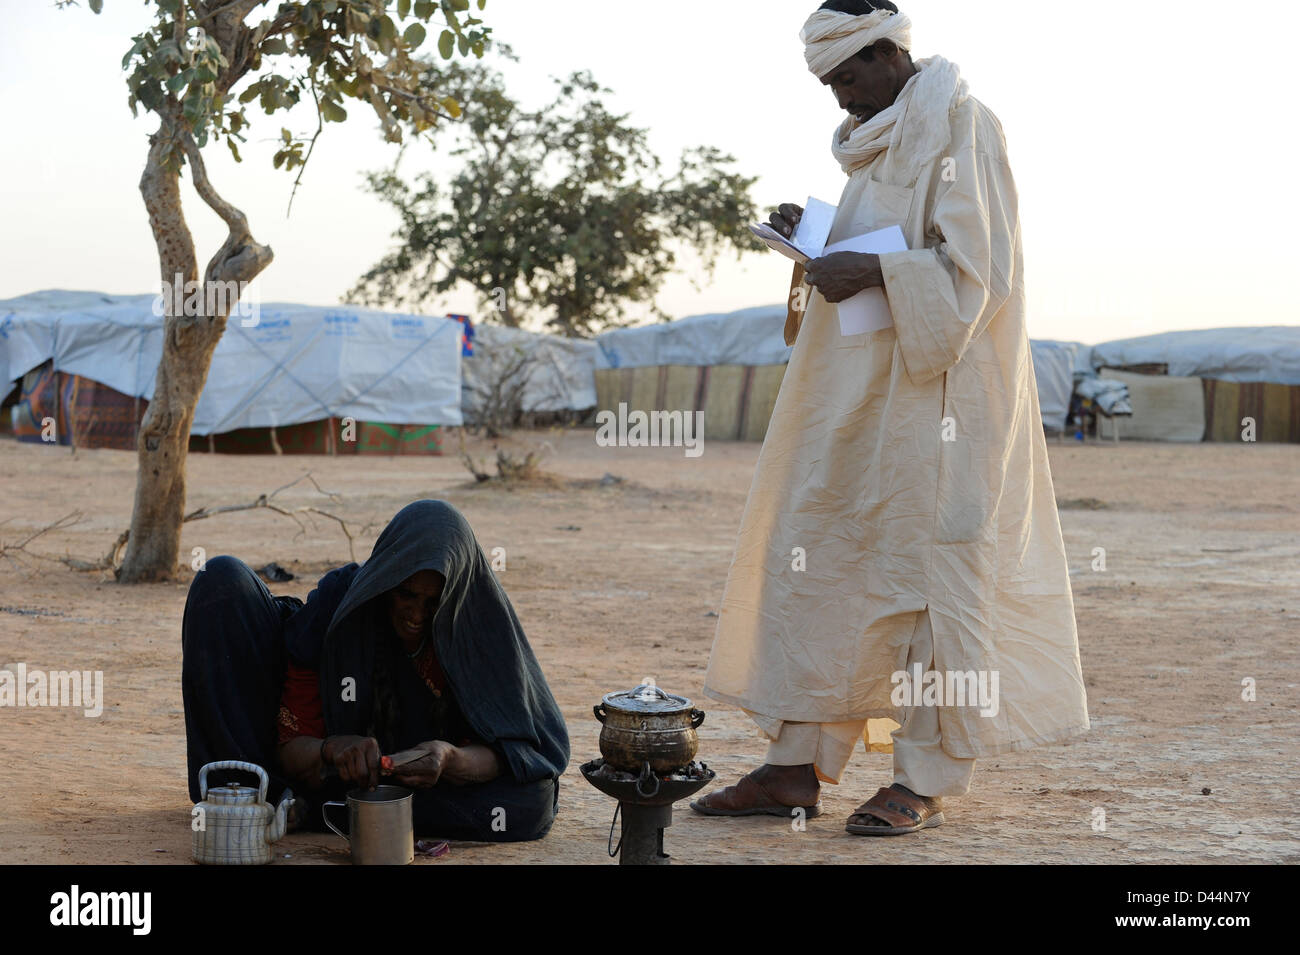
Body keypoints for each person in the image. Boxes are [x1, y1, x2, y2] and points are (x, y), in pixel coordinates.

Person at [692, 0, 1089, 834]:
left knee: (931, 589)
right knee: (829, 562)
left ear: (888, 52)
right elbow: (880, 242)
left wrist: (870, 272)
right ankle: (793, 768)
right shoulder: (871, 145)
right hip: (864, 401)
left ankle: (923, 780)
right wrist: (818, 238)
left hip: (945, 409)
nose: (838, 97)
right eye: (827, 82)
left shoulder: (962, 126)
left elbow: (979, 274)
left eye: (846, 75)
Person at [182, 499, 569, 843]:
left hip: (426, 786)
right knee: (221, 579)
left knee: (531, 801)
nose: (417, 616)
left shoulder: (478, 627)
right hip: (329, 775)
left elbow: (517, 754)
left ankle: (323, 811)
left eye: (433, 603)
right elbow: (289, 749)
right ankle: (286, 799)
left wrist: (449, 758)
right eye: (406, 595)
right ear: (386, 581)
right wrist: (332, 750)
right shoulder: (339, 613)